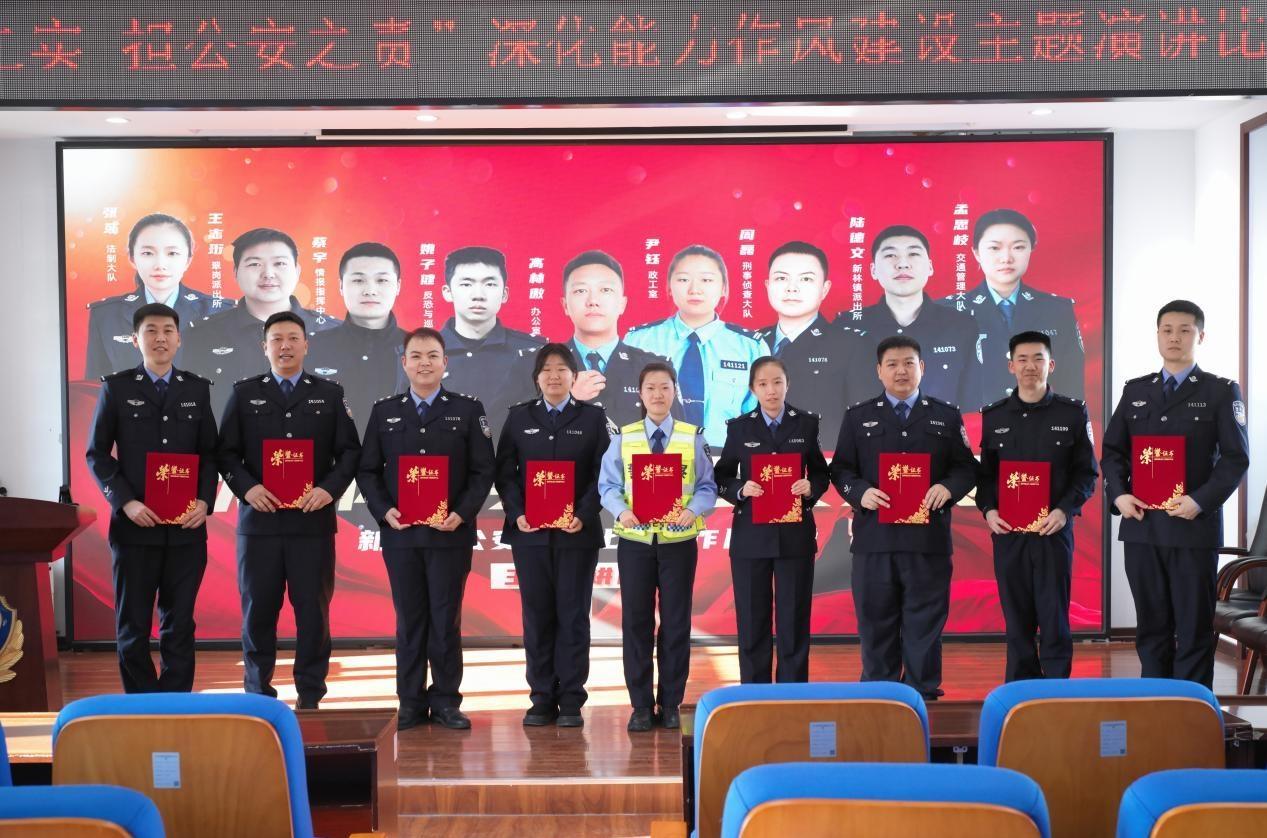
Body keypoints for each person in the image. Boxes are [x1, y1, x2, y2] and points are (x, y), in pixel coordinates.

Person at [216, 311, 361, 708]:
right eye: (276, 339)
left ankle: (310, 693)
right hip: (259, 524)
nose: (285, 346)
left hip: (311, 524)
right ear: (264, 347)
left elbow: (350, 452)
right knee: (258, 612)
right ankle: (257, 693)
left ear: (306, 345)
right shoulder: (244, 393)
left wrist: (328, 490)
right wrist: (248, 488)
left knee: (313, 613)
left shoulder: (329, 394)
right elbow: (225, 452)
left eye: (293, 338)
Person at [1101, 300, 1249, 687]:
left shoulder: (1220, 391)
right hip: (1142, 527)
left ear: (1201, 336)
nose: (1174, 337)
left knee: (1193, 627)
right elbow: (1113, 452)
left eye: (1184, 330)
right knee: (1151, 627)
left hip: (1192, 530)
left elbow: (1236, 458)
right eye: (1167, 330)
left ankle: (1192, 708)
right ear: (1157, 335)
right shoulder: (1136, 391)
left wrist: (1200, 501)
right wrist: (1119, 495)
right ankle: (1155, 703)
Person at [356, 327, 495, 730]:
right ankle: (411, 702)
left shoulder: (467, 410)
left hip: (450, 534)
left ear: (445, 363)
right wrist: (385, 511)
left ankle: (447, 701)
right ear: (404, 363)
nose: (424, 363)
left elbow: (483, 470)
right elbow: (368, 470)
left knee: (446, 618)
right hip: (401, 535)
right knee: (410, 619)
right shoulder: (384, 411)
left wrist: (462, 513)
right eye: (416, 356)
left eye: (432, 355)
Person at [830, 335, 978, 699]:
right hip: (874, 540)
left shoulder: (945, 415)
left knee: (925, 620)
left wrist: (948, 488)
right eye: (892, 364)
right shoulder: (859, 416)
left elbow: (966, 469)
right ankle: (880, 693)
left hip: (927, 540)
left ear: (922, 368)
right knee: (875, 621)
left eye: (909, 363)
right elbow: (842, 469)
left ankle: (922, 691)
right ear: (879, 371)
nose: (901, 371)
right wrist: (860, 492)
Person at [85, 302, 217, 693]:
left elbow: (210, 454)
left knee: (180, 623)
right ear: (135, 339)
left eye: (167, 331)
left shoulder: (196, 389)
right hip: (135, 528)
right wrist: (126, 502)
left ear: (179, 339)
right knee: (133, 624)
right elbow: (97, 453)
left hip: (185, 530)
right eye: (151, 331)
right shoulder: (117, 388)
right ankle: (141, 703)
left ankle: (175, 702)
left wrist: (204, 502)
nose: (160, 338)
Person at [493, 343, 610, 728]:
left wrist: (583, 513)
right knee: (537, 615)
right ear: (536, 377)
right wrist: (518, 512)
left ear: (574, 377)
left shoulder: (593, 418)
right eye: (546, 369)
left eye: (562, 369)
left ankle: (572, 698)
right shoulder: (519, 417)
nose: (554, 376)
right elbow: (504, 472)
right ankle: (541, 697)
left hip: (577, 533)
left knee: (573, 616)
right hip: (530, 534)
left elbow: (603, 473)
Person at [599, 361, 717, 730]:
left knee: (676, 623)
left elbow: (707, 487)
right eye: (650, 388)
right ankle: (639, 705)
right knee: (635, 623)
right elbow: (607, 486)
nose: (658, 394)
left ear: (674, 392)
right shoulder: (623, 437)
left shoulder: (692, 437)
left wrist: (692, 510)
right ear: (640, 393)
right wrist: (621, 511)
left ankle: (670, 703)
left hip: (678, 542)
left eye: (665, 387)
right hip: (635, 542)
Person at [977, 331, 1098, 681]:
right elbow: (986, 476)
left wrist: (1064, 510)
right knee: (1016, 616)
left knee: (1054, 613)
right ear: (1011, 366)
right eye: (1023, 359)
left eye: (1038, 359)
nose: (1030, 366)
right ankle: (1021, 685)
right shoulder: (994, 415)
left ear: (1051, 364)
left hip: (1053, 531)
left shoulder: (1072, 413)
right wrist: (989, 510)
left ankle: (1057, 686)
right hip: (1009, 533)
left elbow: (1086, 473)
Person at [714, 356, 831, 683]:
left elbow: (821, 473)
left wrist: (811, 488)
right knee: (753, 619)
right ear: (753, 388)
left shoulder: (806, 424)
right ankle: (754, 692)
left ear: (787, 384)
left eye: (777, 382)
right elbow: (721, 476)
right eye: (763, 384)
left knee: (794, 618)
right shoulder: (739, 428)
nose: (771, 390)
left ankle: (793, 693)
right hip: (751, 537)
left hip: (795, 536)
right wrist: (740, 489)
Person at [183, 227, 339, 418]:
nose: (268, 274)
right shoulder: (202, 335)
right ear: (235, 272)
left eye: (279, 263)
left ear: (297, 271)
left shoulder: (333, 333)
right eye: (255, 264)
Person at [624, 244, 769, 448]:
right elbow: (624, 409)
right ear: (669, 286)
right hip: (655, 455)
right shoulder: (638, 340)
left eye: (706, 280)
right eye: (683, 280)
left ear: (723, 288)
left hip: (725, 457)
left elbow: (761, 417)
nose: (694, 289)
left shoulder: (750, 347)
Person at [835, 225, 983, 410]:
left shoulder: (961, 326)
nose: (902, 264)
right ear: (873, 270)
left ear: (930, 267)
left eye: (913, 254)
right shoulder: (846, 326)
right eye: (890, 255)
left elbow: (972, 405)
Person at [948, 208, 1086, 402]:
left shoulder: (1057, 310)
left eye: (1018, 247)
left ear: (1031, 249)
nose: (1006, 258)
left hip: (1039, 419)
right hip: (975, 420)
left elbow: (1072, 388)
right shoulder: (948, 312)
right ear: (976, 253)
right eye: (994, 248)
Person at [752, 240, 874, 445]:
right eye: (781, 278)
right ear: (767, 285)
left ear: (824, 289)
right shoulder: (748, 343)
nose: (792, 288)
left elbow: (866, 423)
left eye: (806, 279)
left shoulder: (852, 345)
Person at [85, 213, 233, 380]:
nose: (160, 265)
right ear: (132, 258)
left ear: (188, 260)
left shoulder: (220, 312)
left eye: (172, 253)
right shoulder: (105, 316)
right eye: (148, 253)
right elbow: (94, 388)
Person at [438, 246, 544, 438]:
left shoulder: (536, 352)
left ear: (504, 294)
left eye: (490, 284)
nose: (478, 294)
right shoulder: (419, 354)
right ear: (447, 292)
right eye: (466, 284)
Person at [308, 242, 407, 436]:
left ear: (398, 286)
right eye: (358, 280)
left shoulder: (420, 350)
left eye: (382, 280)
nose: (370, 290)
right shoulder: (309, 348)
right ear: (341, 286)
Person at [562, 250, 667, 428]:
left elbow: (678, 438)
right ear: (565, 305)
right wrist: (565, 398)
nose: (593, 301)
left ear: (622, 304)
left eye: (605, 290)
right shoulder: (535, 366)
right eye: (581, 290)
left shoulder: (654, 368)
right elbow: (520, 434)